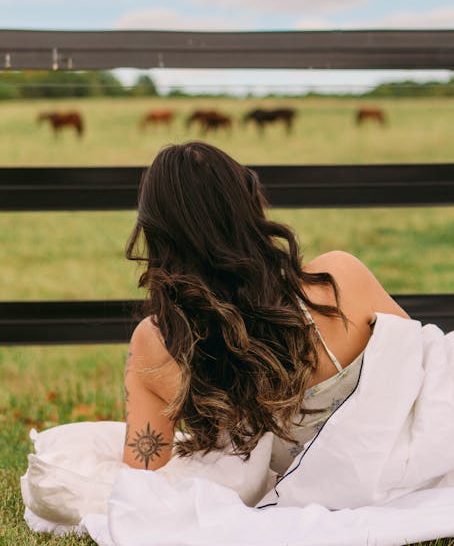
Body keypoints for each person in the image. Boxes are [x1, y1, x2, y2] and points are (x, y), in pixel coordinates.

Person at [123, 141, 409, 475]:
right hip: (397, 463)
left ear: (156, 234)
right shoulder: (338, 281)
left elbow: (141, 474)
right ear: (248, 205)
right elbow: (424, 371)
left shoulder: (159, 342)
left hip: (308, 492)